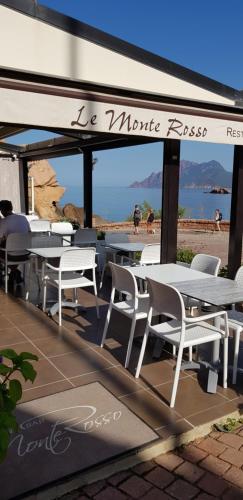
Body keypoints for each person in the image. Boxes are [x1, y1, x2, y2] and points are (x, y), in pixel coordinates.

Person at [0, 200, 30, 284]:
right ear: (12, 208)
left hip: (11, 256)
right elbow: (29, 232)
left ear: (1, 210)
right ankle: (14, 272)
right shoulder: (23, 218)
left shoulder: (4, 221)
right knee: (11, 247)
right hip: (26, 254)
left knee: (5, 249)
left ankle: (14, 272)